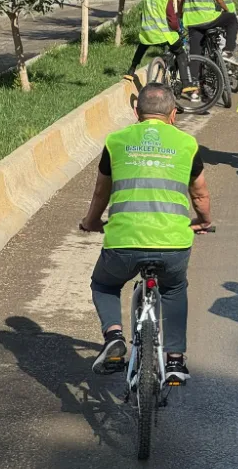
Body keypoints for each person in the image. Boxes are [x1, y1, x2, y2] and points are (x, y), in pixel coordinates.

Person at [81, 83, 212, 385]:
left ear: (136, 112)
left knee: (104, 284)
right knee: (174, 289)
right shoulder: (186, 144)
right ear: (173, 114)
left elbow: (101, 191)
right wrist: (204, 221)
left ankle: (114, 336)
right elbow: (200, 194)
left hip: (123, 244)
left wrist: (91, 222)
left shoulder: (116, 141)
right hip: (173, 244)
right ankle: (176, 360)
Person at [123, 0, 196, 96]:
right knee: (180, 52)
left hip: (148, 32)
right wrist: (178, 29)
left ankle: (131, 70)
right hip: (164, 34)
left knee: (142, 45)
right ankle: (186, 84)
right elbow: (172, 20)